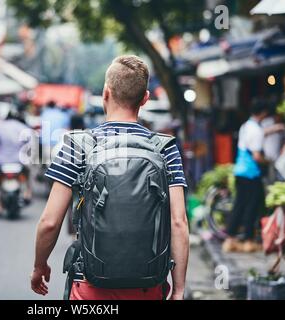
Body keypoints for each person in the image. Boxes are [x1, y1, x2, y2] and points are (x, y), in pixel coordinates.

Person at [31, 55, 189, 300]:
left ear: (105, 93)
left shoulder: (78, 145)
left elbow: (50, 222)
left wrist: (40, 265)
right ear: (145, 99)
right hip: (149, 288)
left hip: (91, 288)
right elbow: (178, 222)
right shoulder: (164, 148)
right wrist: (179, 290)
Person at [223, 101, 269, 253]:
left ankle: (230, 240)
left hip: (240, 171)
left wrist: (274, 129)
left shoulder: (246, 126)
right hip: (251, 173)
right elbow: (257, 156)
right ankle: (249, 241)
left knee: (239, 205)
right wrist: (269, 161)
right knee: (252, 207)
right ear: (263, 113)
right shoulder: (257, 130)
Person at [0, 106, 33, 215]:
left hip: (2, 162)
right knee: (28, 173)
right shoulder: (23, 127)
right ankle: (28, 193)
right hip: (19, 161)